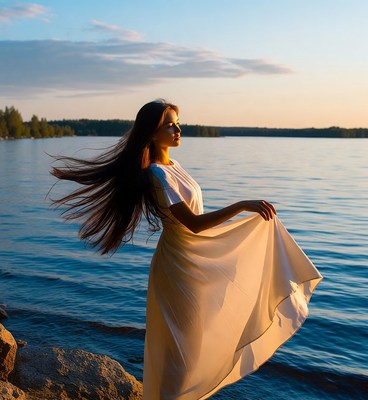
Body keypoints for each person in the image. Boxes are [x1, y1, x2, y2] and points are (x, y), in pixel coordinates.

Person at [50, 99, 322, 400]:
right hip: (179, 265)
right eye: (170, 124)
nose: (179, 129)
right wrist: (242, 205)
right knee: (181, 349)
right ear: (153, 133)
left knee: (194, 345)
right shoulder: (157, 174)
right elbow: (193, 223)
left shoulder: (173, 166)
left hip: (196, 259)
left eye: (178, 122)